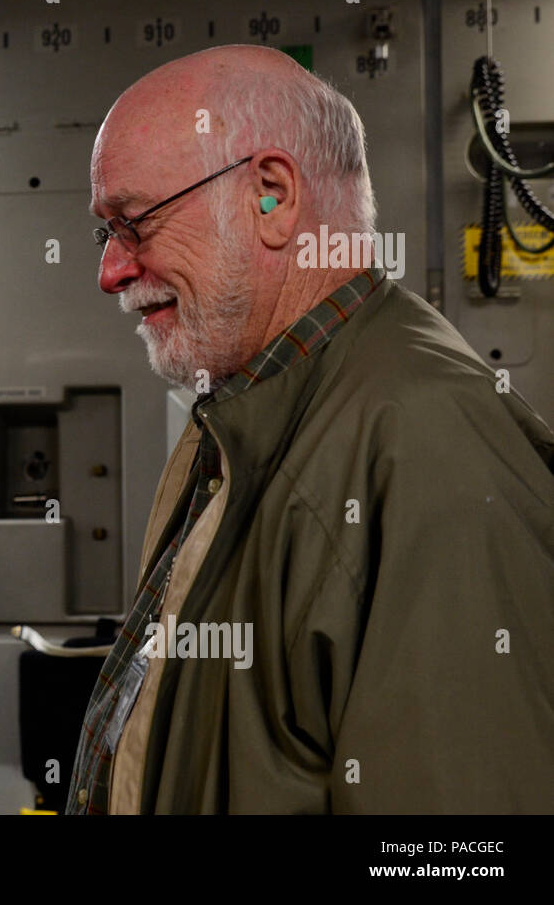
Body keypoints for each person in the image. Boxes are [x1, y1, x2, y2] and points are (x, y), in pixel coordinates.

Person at [69, 44, 554, 814]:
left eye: (135, 222)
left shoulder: (427, 451)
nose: (111, 271)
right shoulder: (248, 419)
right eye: (105, 233)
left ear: (271, 195)